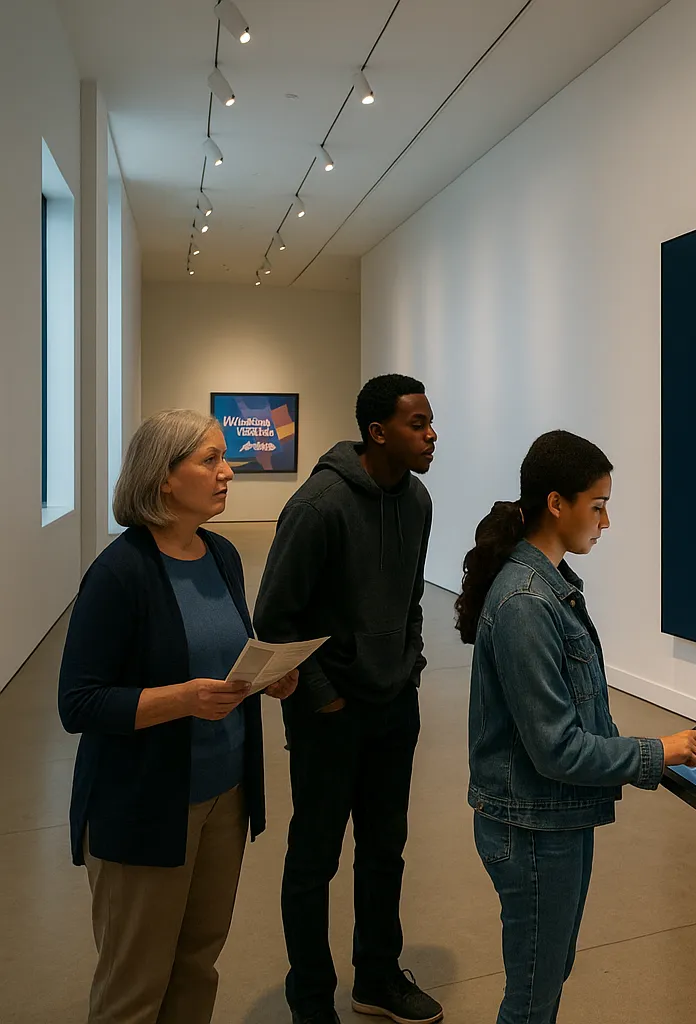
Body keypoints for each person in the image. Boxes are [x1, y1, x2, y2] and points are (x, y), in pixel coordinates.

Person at [455, 430, 696, 1024]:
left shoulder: (549, 589)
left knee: (544, 982)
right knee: (531, 998)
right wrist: (657, 751)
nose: (605, 522)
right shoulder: (527, 601)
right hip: (531, 826)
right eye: (598, 505)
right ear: (557, 504)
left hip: (550, 817)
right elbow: (555, 748)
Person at [58, 408, 299, 1024]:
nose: (228, 472)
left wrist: (266, 679)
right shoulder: (119, 573)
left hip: (224, 795)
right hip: (143, 804)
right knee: (134, 988)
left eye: (225, 458)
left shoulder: (220, 555)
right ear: (163, 478)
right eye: (210, 460)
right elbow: (79, 702)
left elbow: (226, 655)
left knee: (197, 965)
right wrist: (182, 699)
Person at [253, 374, 440, 1024]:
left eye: (431, 422)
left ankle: (377, 978)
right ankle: (310, 1000)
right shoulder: (320, 505)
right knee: (315, 859)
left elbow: (413, 595)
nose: (431, 434)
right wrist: (327, 698)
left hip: (395, 706)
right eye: (417, 424)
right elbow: (274, 617)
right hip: (327, 716)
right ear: (378, 432)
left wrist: (409, 665)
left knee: (385, 849)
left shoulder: (417, 501)